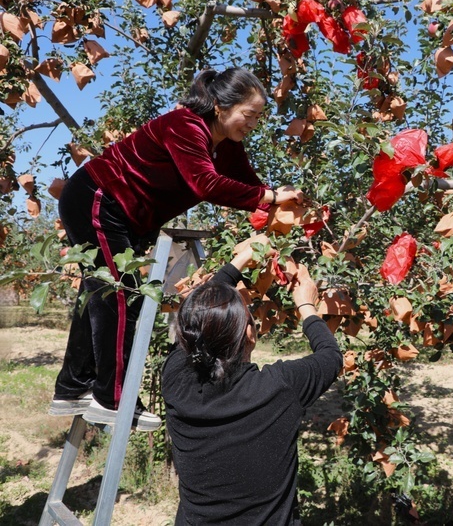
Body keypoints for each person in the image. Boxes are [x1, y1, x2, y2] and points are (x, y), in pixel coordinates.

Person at [48, 67, 304, 430]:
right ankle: (113, 399)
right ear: (220, 105)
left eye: (258, 117)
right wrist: (271, 197)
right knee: (122, 296)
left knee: (100, 296)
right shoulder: (184, 126)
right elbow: (205, 184)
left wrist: (279, 204)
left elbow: (247, 184)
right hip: (98, 198)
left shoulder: (227, 144)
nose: (253, 124)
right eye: (250, 115)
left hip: (123, 215)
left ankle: (73, 387)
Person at [162, 237, 342, 525]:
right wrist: (306, 305)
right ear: (249, 334)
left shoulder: (175, 378)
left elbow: (196, 314)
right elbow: (331, 356)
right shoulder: (279, 388)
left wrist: (243, 258)